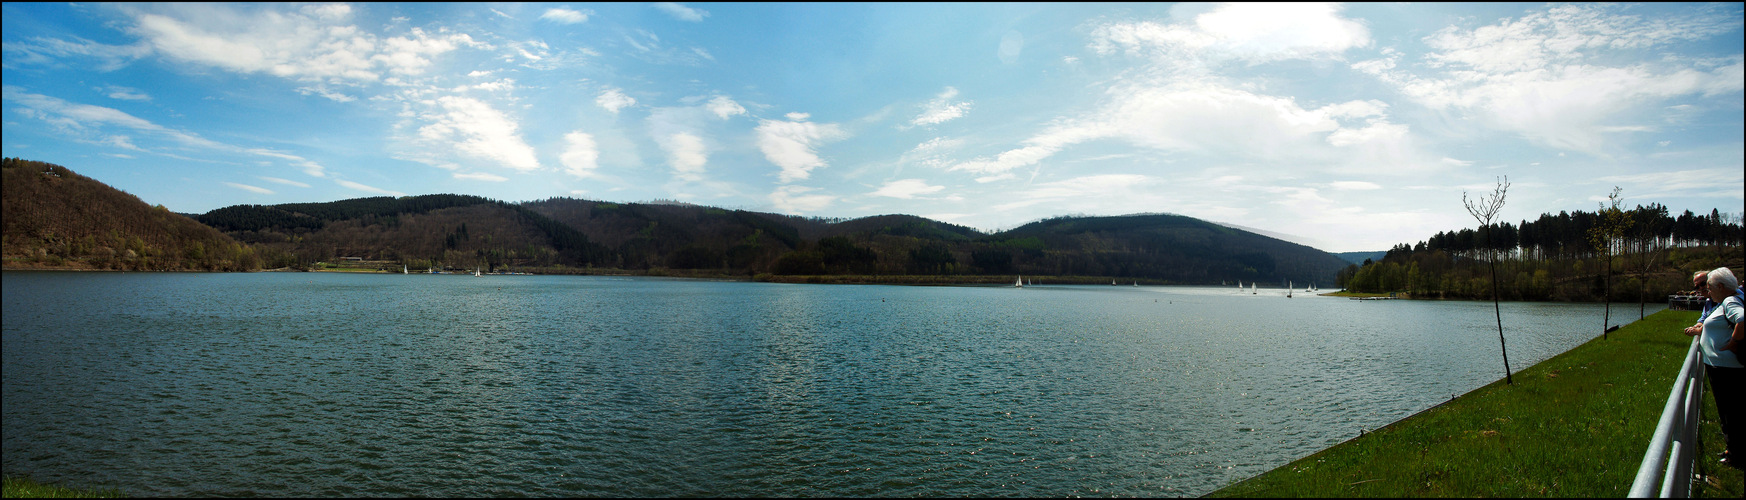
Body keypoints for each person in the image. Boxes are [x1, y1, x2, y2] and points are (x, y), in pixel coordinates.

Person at [1695, 267, 1745, 467]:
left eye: (1709, 287)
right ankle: (1732, 449)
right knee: (1730, 411)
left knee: (1730, 412)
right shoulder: (1726, 301)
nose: (1708, 292)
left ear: (1721, 287)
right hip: (1723, 367)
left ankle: (1736, 455)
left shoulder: (1730, 301)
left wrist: (1733, 344)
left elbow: (1742, 320)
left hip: (1726, 369)